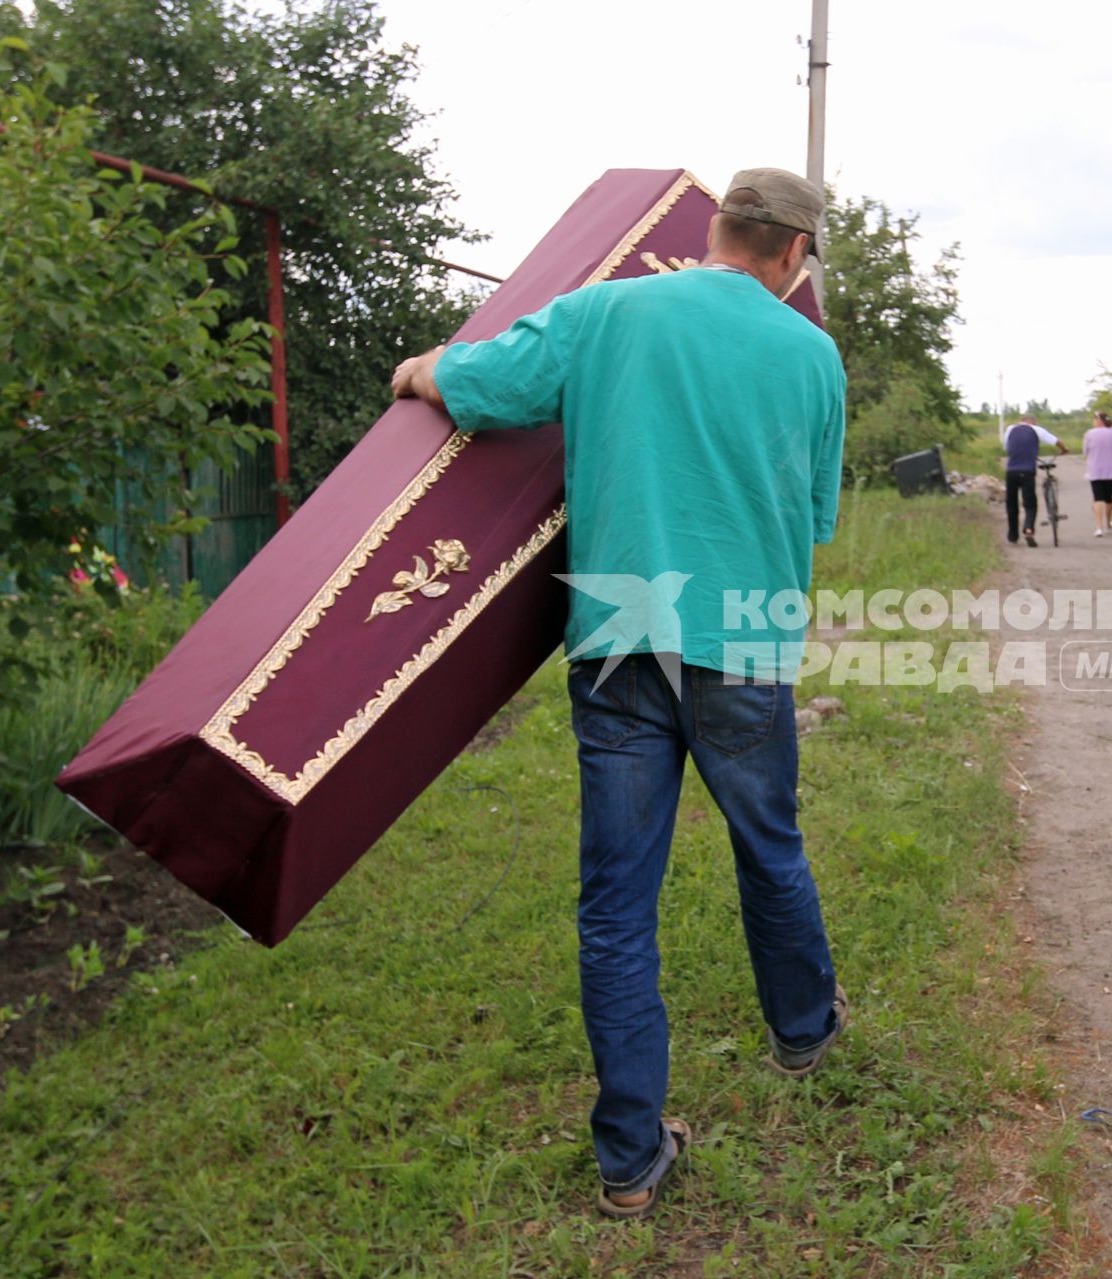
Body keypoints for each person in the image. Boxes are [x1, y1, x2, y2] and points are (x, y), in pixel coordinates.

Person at [389, 168, 849, 1217]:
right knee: (769, 842)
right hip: (743, 637)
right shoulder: (811, 353)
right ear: (791, 255)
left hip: (621, 632)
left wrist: (420, 368)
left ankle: (630, 1157)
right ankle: (804, 1029)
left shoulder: (606, 311)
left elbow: (482, 383)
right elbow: (815, 513)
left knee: (616, 903)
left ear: (722, 229)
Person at [1002, 411, 1069, 547]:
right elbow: (1056, 441)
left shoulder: (1010, 429)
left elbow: (1007, 447)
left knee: (1012, 504)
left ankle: (1013, 536)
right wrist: (1064, 450)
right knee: (1030, 504)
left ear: (1021, 420)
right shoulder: (1036, 430)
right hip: (1027, 472)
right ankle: (1028, 529)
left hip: (1011, 472)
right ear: (1032, 421)